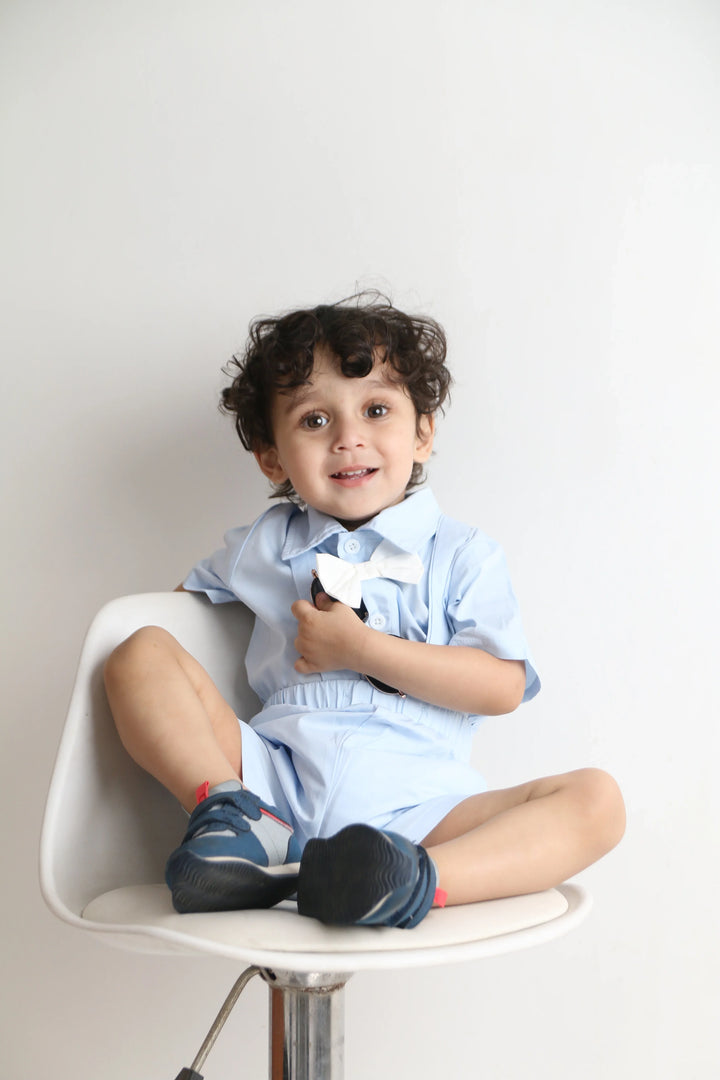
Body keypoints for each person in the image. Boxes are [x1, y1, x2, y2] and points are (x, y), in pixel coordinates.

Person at [103, 293, 625, 929]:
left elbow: (501, 686)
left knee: (599, 802)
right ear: (272, 457)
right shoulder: (264, 545)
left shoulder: (462, 555)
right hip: (279, 782)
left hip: (420, 808)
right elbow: (179, 633)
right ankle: (235, 815)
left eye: (376, 410)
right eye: (314, 422)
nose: (349, 438)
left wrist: (362, 650)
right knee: (137, 651)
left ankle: (408, 880)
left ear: (422, 433)